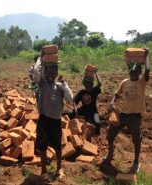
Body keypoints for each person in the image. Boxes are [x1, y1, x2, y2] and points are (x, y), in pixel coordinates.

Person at [103, 50, 150, 174]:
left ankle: (135, 162)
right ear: (128, 71)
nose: (133, 73)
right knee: (110, 133)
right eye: (131, 71)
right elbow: (116, 94)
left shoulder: (142, 82)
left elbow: (148, 71)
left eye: (136, 71)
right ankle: (110, 153)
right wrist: (112, 102)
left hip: (135, 116)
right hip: (123, 114)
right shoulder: (124, 82)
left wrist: (146, 57)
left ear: (139, 72)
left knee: (136, 139)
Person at [33, 47, 73, 183]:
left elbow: (69, 98)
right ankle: (44, 171)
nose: (50, 74)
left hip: (56, 120)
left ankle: (59, 168)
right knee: (43, 147)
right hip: (44, 119)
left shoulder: (59, 86)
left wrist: (65, 85)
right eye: (47, 71)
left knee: (57, 146)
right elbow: (36, 73)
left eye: (53, 71)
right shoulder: (42, 84)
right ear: (44, 71)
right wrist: (41, 57)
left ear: (56, 72)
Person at [67, 67, 102, 139]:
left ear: (92, 84)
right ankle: (67, 127)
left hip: (93, 110)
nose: (87, 85)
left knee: (98, 122)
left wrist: (96, 72)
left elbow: (100, 83)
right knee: (71, 113)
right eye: (85, 84)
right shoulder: (82, 92)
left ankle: (96, 136)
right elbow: (74, 101)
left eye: (89, 84)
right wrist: (76, 110)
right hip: (84, 109)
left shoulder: (94, 90)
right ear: (84, 84)